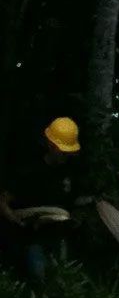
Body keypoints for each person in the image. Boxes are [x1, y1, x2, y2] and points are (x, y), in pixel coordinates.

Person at [0, 118, 81, 281]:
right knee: (38, 277)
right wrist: (18, 222)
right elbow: (3, 201)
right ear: (51, 146)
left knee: (63, 280)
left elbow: (72, 204)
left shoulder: (70, 172)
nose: (67, 156)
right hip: (31, 239)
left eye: (69, 152)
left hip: (58, 239)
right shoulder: (30, 171)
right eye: (64, 152)